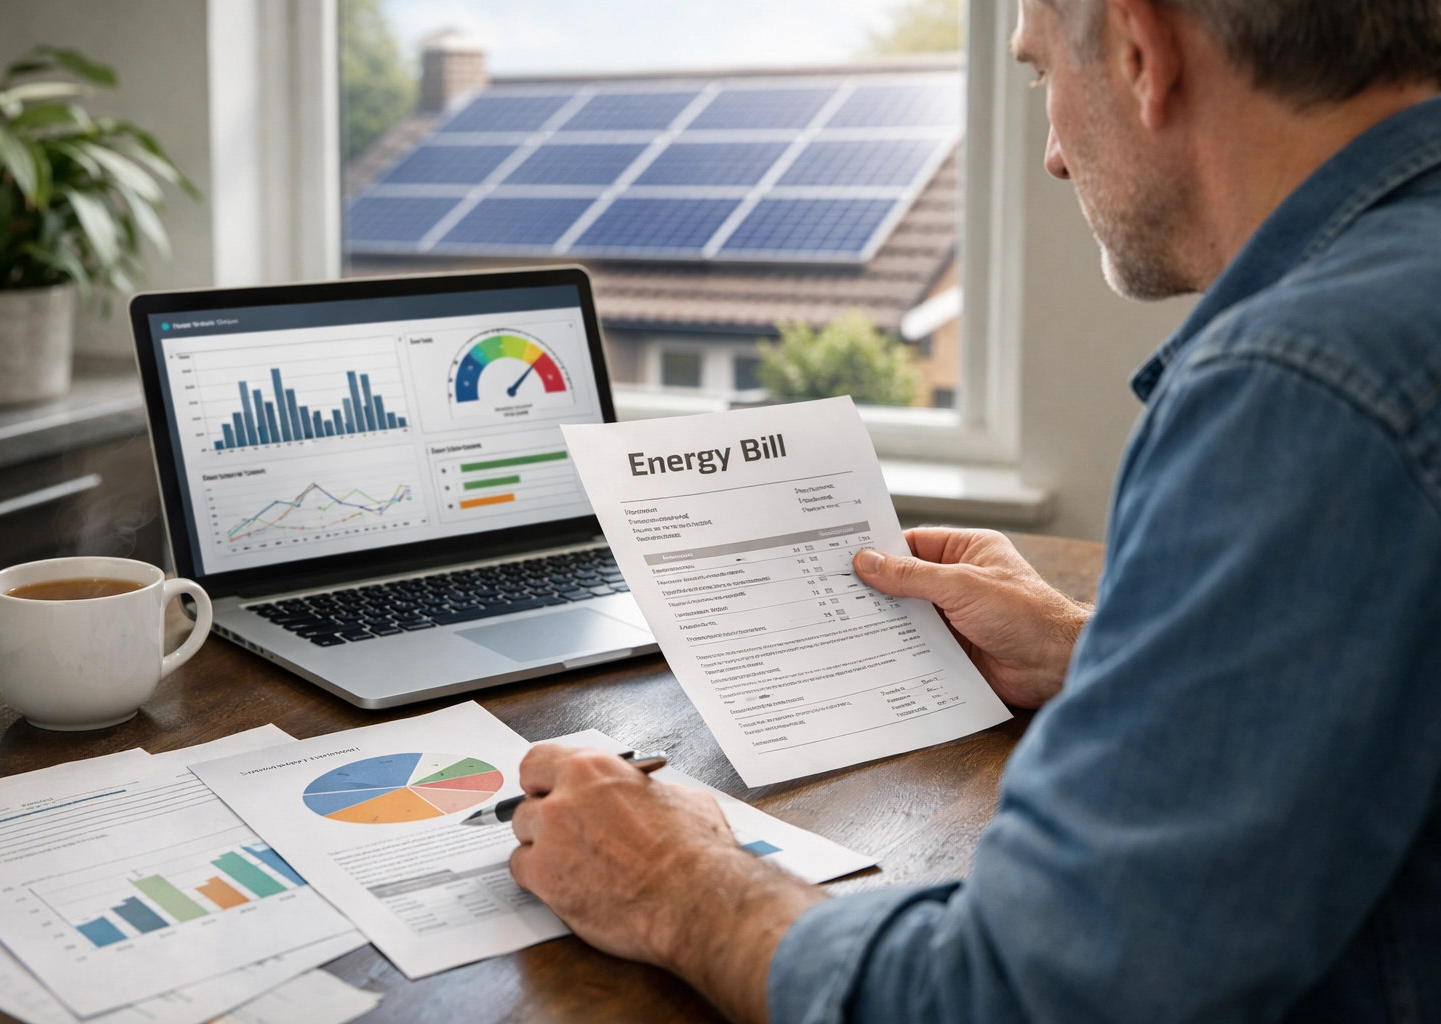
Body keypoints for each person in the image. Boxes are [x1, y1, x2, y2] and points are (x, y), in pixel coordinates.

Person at [507, 0, 1441, 1019]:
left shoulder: (1300, 386)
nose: (1051, 154)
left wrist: (674, 883)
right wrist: (1099, 650)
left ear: (1141, 49)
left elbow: (1019, 999)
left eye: (1042, 74)